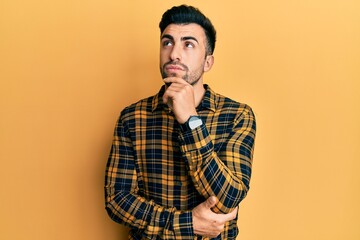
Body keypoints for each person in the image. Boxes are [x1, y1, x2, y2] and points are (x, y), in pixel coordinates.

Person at [104, 5, 256, 240]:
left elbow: (228, 197)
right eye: (167, 42)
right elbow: (117, 199)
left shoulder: (237, 115)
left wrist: (190, 120)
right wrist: (187, 223)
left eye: (188, 44)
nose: (174, 53)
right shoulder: (132, 118)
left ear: (208, 62)